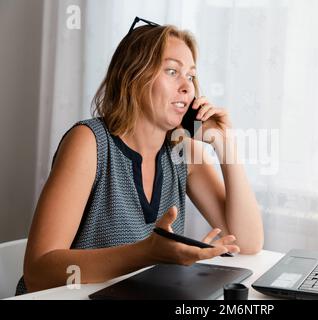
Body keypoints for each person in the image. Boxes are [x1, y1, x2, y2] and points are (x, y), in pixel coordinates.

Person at [16, 18, 264, 295]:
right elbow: (38, 272)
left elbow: (248, 242)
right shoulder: (89, 143)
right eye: (172, 71)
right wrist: (146, 253)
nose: (188, 87)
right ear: (133, 77)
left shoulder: (183, 151)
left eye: (191, 76)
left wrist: (224, 143)